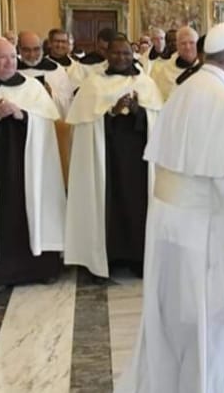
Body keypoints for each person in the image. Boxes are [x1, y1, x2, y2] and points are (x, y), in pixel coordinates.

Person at [115, 23, 224, 393]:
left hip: (171, 228)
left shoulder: (186, 89)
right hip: (206, 233)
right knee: (211, 328)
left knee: (176, 324)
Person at [0, 38, 65, 289]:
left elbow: (46, 123)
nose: (9, 62)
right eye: (2, 57)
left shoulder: (33, 89)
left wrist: (22, 115)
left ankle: (41, 267)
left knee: (36, 209)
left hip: (31, 167)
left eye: (12, 56)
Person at [65, 36, 162, 280]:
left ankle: (138, 258)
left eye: (127, 54)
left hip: (138, 162)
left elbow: (156, 122)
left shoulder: (146, 83)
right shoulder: (93, 85)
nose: (122, 58)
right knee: (106, 206)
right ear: (107, 55)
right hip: (105, 159)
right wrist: (112, 111)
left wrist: (139, 111)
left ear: (134, 55)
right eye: (116, 53)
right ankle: (104, 257)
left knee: (139, 207)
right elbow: (86, 125)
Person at [17, 31, 74, 117]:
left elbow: (68, 102)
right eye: (26, 50)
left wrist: (51, 95)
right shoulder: (13, 71)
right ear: (19, 49)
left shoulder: (56, 70)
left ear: (42, 48)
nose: (32, 55)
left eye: (36, 49)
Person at [151, 26, 202, 100]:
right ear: (177, 46)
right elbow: (158, 99)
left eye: (192, 42)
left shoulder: (205, 68)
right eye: (183, 43)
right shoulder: (164, 71)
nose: (188, 47)